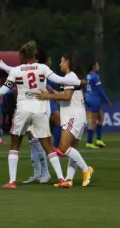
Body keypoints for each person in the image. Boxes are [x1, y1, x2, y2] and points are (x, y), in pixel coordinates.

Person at [0, 41, 83, 189]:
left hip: (23, 110)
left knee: (15, 145)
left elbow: (3, 90)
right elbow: (59, 80)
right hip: (40, 110)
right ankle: (61, 179)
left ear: (22, 56)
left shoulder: (17, 70)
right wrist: (78, 81)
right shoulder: (43, 68)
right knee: (48, 147)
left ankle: (12, 181)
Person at [36, 52, 94, 188]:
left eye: (62, 61)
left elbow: (67, 97)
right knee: (72, 150)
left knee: (63, 147)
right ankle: (68, 179)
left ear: (68, 62)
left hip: (73, 116)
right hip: (77, 116)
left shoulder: (70, 76)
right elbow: (66, 95)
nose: (60, 64)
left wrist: (47, 96)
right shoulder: (71, 78)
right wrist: (51, 92)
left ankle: (86, 170)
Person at [84, 62, 110, 149]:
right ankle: (89, 142)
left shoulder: (88, 76)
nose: (99, 66)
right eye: (97, 65)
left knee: (101, 118)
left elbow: (85, 88)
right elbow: (100, 90)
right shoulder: (95, 76)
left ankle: (98, 140)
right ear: (94, 67)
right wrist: (106, 100)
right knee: (93, 121)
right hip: (94, 100)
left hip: (88, 98)